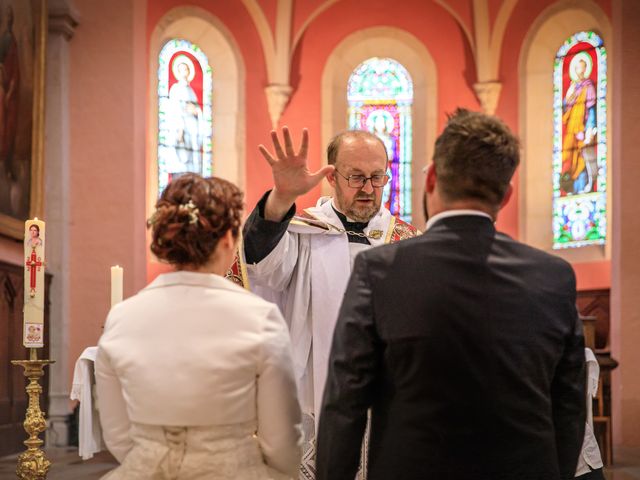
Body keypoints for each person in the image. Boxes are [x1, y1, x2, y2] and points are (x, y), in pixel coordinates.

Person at [317, 108, 586, 480]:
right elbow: (569, 407)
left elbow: (345, 402)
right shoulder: (554, 276)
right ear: (506, 195)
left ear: (430, 179)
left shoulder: (380, 271)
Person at [96, 173, 302, 480]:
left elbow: (117, 434)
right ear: (229, 239)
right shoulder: (259, 317)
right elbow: (281, 441)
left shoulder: (121, 317)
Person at [242, 127, 419, 477]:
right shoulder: (302, 233)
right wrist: (281, 198)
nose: (368, 188)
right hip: (315, 396)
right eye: (356, 177)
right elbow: (263, 269)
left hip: (389, 399)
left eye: (377, 177)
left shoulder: (408, 242)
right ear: (332, 176)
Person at [561, 55, 597, 195]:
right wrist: (568, 97)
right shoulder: (573, 87)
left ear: (586, 69)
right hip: (571, 128)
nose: (579, 70)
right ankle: (571, 188)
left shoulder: (588, 86)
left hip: (582, 128)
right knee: (570, 157)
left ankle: (582, 187)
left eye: (582, 67)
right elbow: (565, 108)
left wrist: (590, 129)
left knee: (582, 158)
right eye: (577, 67)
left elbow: (591, 108)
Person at [168, 58, 203, 173]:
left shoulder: (191, 91)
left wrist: (197, 111)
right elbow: (173, 109)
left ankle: (193, 172)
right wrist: (180, 128)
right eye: (181, 69)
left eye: (186, 69)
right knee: (182, 156)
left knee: (193, 157)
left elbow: (195, 108)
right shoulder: (175, 89)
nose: (184, 72)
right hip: (180, 125)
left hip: (192, 126)